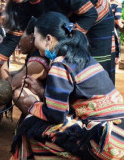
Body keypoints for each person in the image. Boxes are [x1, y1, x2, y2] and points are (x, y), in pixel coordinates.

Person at [11, 11, 124, 159]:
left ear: (48, 39)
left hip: (105, 141)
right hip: (118, 132)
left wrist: (33, 104)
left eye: (36, 37)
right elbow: (72, 102)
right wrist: (42, 91)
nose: (34, 43)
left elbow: (56, 115)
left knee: (30, 125)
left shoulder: (60, 64)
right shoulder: (82, 56)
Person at [2, 19, 49, 117]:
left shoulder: (37, 63)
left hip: (56, 108)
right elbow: (18, 73)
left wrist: (1, 56)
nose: (18, 41)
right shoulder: (34, 55)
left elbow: (9, 87)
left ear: (32, 38)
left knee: (18, 93)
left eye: (20, 36)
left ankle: (39, 126)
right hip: (49, 100)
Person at [110, 0, 123, 66]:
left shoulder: (107, 4)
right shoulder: (118, 5)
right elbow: (118, 19)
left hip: (105, 28)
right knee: (116, 46)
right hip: (114, 29)